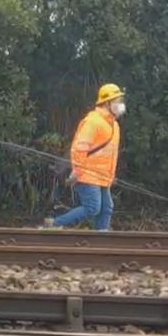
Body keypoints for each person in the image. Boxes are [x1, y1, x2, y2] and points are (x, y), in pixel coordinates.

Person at [45, 83, 125, 231]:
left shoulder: (114, 125)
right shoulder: (93, 121)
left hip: (102, 176)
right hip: (87, 174)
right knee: (92, 208)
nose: (121, 105)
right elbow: (79, 148)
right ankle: (54, 225)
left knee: (106, 209)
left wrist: (110, 176)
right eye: (117, 101)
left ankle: (101, 241)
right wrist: (77, 170)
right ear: (107, 103)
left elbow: (111, 155)